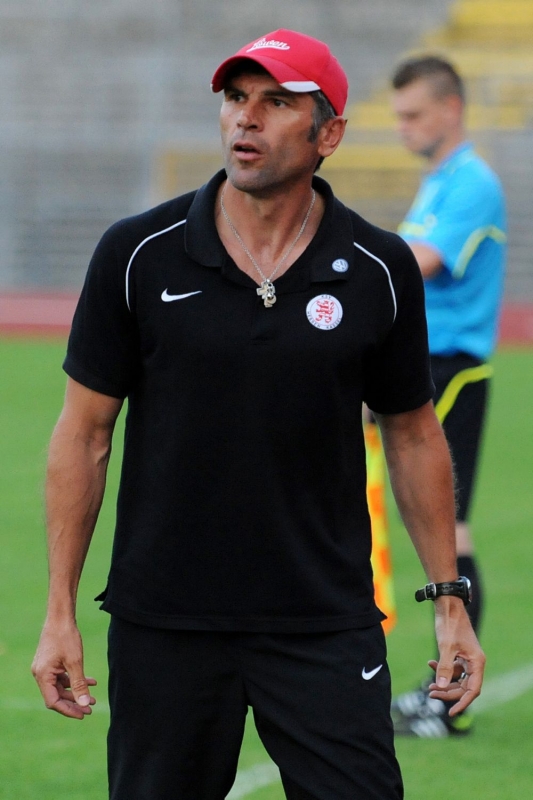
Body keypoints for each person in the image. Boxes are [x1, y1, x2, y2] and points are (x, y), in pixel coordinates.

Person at [32, 30, 485, 799]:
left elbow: (412, 434)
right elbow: (84, 434)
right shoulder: (137, 253)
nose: (246, 117)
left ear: (328, 135)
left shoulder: (379, 269)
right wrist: (59, 612)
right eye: (236, 98)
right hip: (165, 622)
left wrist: (449, 603)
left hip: (324, 619)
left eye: (277, 102)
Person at [390, 55, 506, 738]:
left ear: (450, 109)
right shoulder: (439, 181)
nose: (402, 128)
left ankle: (447, 699)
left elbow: (421, 263)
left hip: (452, 371)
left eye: (413, 115)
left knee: (447, 532)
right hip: (420, 367)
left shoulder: (472, 182)